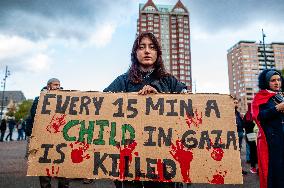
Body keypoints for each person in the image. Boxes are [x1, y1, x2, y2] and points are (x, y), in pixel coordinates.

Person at [104, 32, 187, 188]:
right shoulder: (122, 81)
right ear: (135, 53)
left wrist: (160, 99)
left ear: (157, 53)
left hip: (164, 162)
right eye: (142, 47)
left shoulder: (170, 81)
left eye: (152, 47)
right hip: (130, 162)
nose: (147, 51)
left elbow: (190, 109)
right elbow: (103, 106)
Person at [27, 78, 70, 188]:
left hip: (60, 138)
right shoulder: (39, 99)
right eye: (55, 84)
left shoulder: (66, 99)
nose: (58, 87)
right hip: (44, 138)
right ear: (48, 86)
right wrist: (30, 134)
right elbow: (32, 117)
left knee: (62, 164)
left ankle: (63, 185)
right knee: (44, 164)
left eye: (59, 85)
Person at [252, 69, 284, 188]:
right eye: (273, 80)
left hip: (282, 138)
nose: (277, 82)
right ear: (266, 82)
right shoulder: (260, 96)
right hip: (271, 142)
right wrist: (277, 108)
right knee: (274, 172)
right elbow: (259, 116)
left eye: (279, 80)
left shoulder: (280, 96)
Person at [234, 98, 247, 175]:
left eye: (236, 102)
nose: (236, 104)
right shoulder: (229, 113)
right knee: (234, 153)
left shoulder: (238, 113)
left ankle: (239, 169)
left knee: (238, 152)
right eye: (234, 102)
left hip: (240, 133)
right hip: (233, 135)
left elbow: (242, 123)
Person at [243, 103, 257, 174]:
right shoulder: (248, 115)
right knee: (253, 151)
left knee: (254, 151)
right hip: (251, 135)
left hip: (253, 135)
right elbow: (247, 125)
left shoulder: (251, 114)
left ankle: (254, 166)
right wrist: (254, 124)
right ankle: (253, 167)